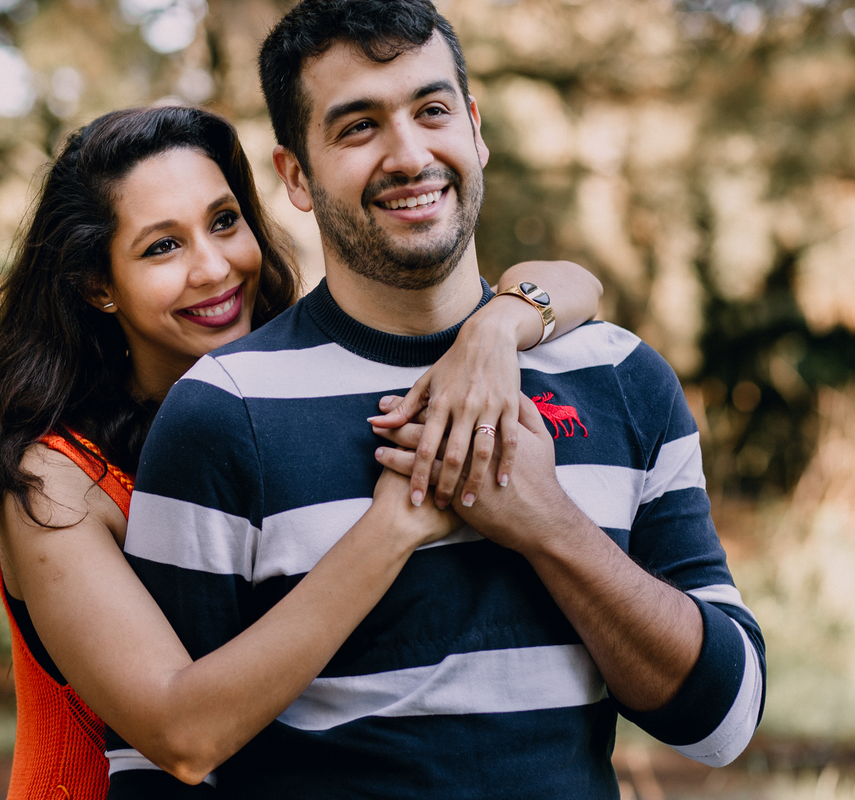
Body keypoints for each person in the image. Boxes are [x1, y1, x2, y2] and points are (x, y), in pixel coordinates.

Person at [119, 1, 767, 797]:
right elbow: (152, 769)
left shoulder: (621, 376)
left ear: (475, 127)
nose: (408, 154)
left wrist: (549, 525)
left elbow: (724, 722)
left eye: (432, 110)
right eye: (357, 127)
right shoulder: (223, 412)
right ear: (295, 175)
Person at [0, 105, 602, 799]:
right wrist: (398, 520)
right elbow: (182, 738)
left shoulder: (290, 396)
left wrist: (496, 327)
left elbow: (578, 283)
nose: (214, 267)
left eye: (224, 221)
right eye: (162, 247)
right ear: (97, 285)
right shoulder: (56, 483)